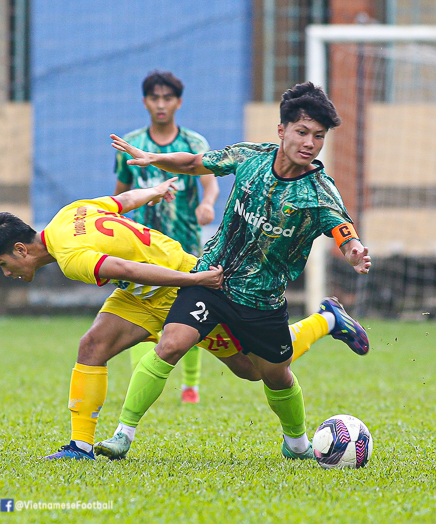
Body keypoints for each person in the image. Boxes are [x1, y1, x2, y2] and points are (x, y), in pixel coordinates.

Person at [0, 179, 369, 461]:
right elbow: (121, 201)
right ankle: (79, 447)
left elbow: (126, 268)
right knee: (91, 346)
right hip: (140, 297)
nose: (6, 272)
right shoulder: (68, 215)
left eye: (2, 264)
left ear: (21, 249)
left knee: (252, 369)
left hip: (179, 284)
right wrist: (156, 191)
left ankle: (327, 320)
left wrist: (193, 279)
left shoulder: (71, 259)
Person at [96, 81, 371, 461]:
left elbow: (340, 224)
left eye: (319, 137)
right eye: (302, 132)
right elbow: (196, 163)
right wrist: (151, 158)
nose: (309, 143)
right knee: (172, 343)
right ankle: (122, 436)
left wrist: (353, 247)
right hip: (211, 279)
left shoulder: (319, 191)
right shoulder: (249, 157)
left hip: (262, 300)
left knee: (267, 374)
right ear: (282, 130)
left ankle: (298, 444)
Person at [115, 71, 219, 404]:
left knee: (189, 313)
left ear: (178, 102)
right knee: (140, 309)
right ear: (145, 102)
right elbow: (120, 192)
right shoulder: (132, 145)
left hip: (184, 244)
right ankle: (140, 381)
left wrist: (207, 203)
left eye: (168, 98)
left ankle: (191, 386)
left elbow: (210, 180)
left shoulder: (193, 143)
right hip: (140, 245)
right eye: (155, 98)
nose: (161, 105)